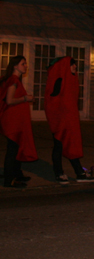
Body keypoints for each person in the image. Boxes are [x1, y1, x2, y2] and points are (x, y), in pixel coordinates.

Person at [45, 57, 94, 184]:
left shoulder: (71, 80)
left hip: (69, 120)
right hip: (61, 121)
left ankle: (76, 172)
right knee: (60, 146)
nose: (75, 67)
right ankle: (65, 173)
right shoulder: (59, 80)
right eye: (72, 65)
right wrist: (60, 120)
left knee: (67, 145)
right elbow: (52, 102)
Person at [0, 56, 38, 188]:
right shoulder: (14, 80)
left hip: (13, 120)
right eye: (23, 64)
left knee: (15, 148)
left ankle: (16, 174)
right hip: (12, 121)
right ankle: (9, 179)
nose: (26, 66)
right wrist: (25, 98)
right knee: (13, 150)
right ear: (15, 66)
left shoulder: (12, 80)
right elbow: (9, 101)